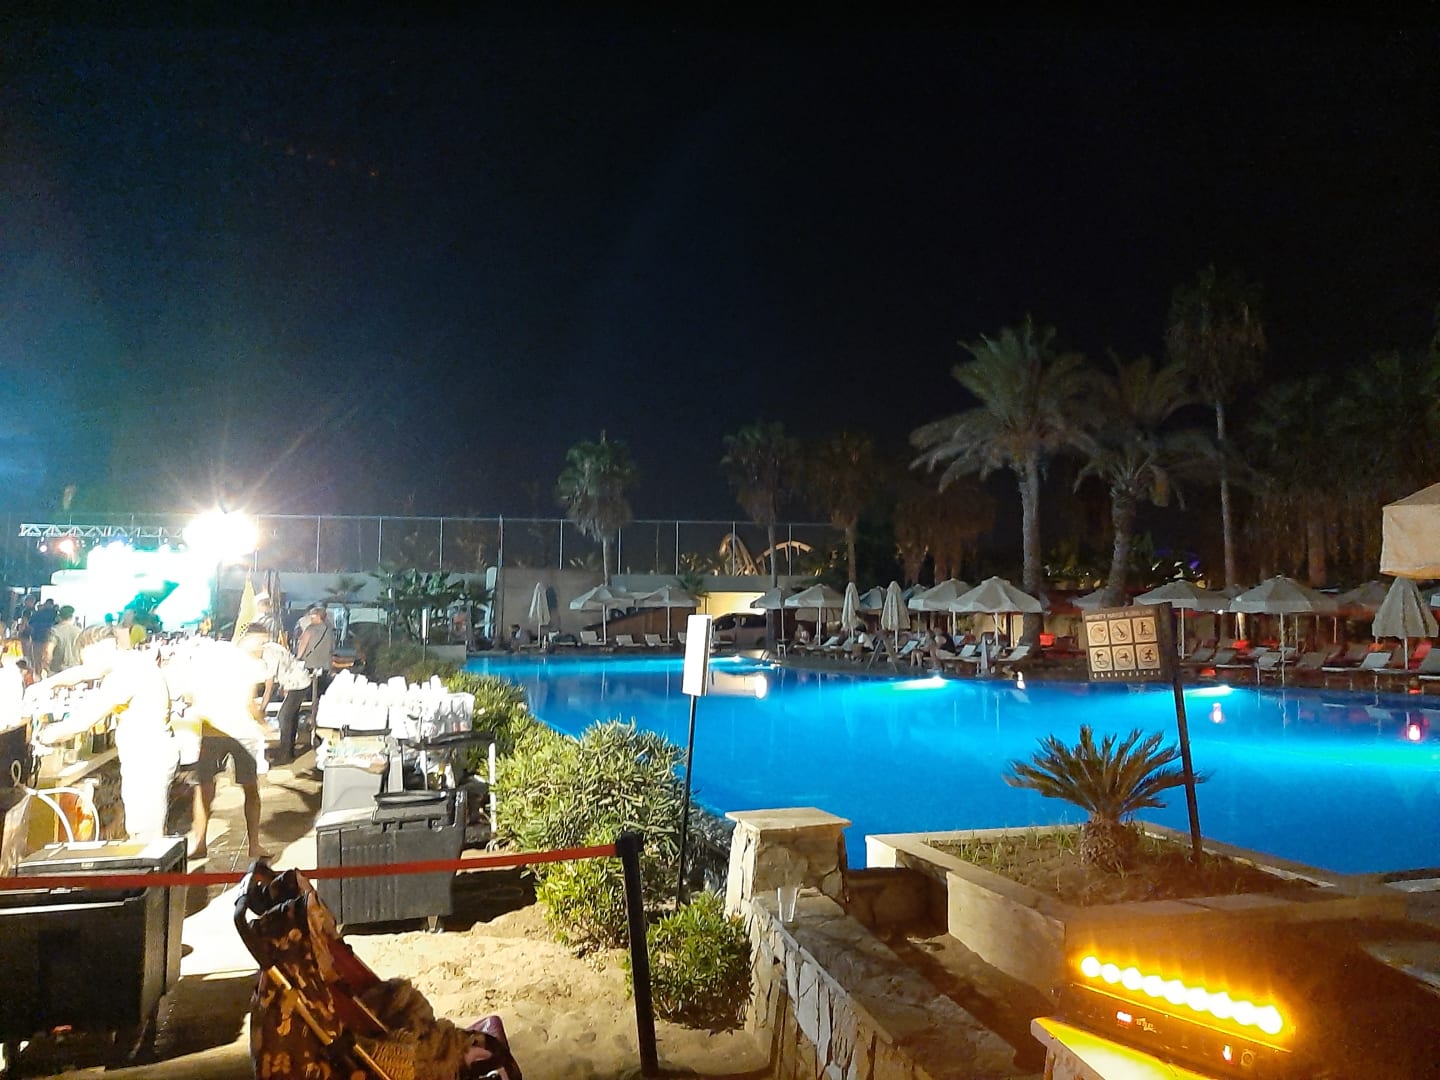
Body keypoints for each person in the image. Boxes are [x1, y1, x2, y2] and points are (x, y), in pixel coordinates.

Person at [27, 625, 179, 842]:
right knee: (142, 827)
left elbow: (82, 722)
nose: (88, 668)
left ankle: (150, 864)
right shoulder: (129, 660)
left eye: (88, 661)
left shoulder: (125, 675)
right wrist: (47, 684)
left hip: (148, 757)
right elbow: (85, 672)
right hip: (149, 753)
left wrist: (40, 736)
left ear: (101, 651)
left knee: (144, 833)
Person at [173, 636, 271, 860]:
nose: (263, 648)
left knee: (204, 788)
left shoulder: (206, 662)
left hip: (212, 731)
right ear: (248, 642)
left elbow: (188, 695)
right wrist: (264, 723)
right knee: (250, 788)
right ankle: (254, 846)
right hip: (242, 733)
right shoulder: (248, 664)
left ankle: (200, 844)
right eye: (261, 643)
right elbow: (250, 703)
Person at [248, 626, 313, 766]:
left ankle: (286, 755)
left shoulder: (269, 656)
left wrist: (262, 709)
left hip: (299, 683)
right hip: (298, 680)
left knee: (284, 717)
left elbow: (269, 688)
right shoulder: (271, 647)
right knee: (290, 717)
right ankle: (288, 751)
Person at [47, 605, 81, 673]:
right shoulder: (79, 631)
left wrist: (47, 666)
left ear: (59, 617)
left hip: (58, 670)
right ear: (71, 617)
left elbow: (48, 651)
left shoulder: (55, 631)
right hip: (76, 670)